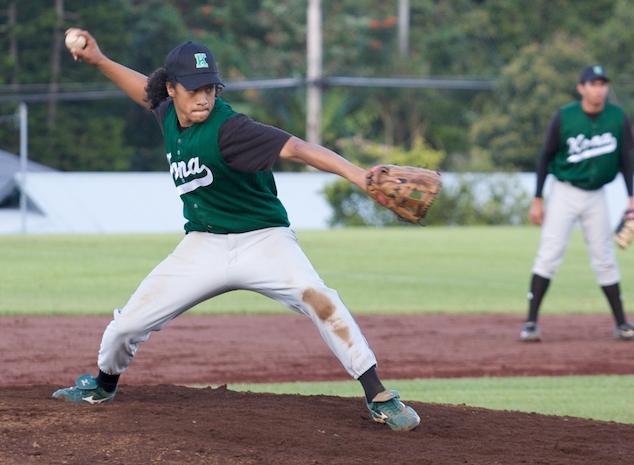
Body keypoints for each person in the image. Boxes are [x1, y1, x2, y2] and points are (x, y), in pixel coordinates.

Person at [51, 28, 420, 432]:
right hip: (203, 245)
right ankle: (102, 385)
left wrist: (358, 175)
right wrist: (100, 60)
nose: (204, 97)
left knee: (320, 298)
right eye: (193, 89)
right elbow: (143, 90)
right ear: (171, 90)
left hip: (263, 239)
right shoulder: (167, 113)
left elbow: (297, 148)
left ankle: (378, 394)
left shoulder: (231, 128)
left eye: (210, 88)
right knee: (128, 324)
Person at [519, 64, 634, 343]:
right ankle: (530, 323)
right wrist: (538, 198)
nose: (598, 89)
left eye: (602, 84)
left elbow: (627, 159)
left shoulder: (617, 117)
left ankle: (622, 324)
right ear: (582, 88)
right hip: (564, 192)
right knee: (549, 254)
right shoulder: (564, 117)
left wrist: (630, 201)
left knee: (604, 258)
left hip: (596, 196)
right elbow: (544, 157)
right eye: (592, 84)